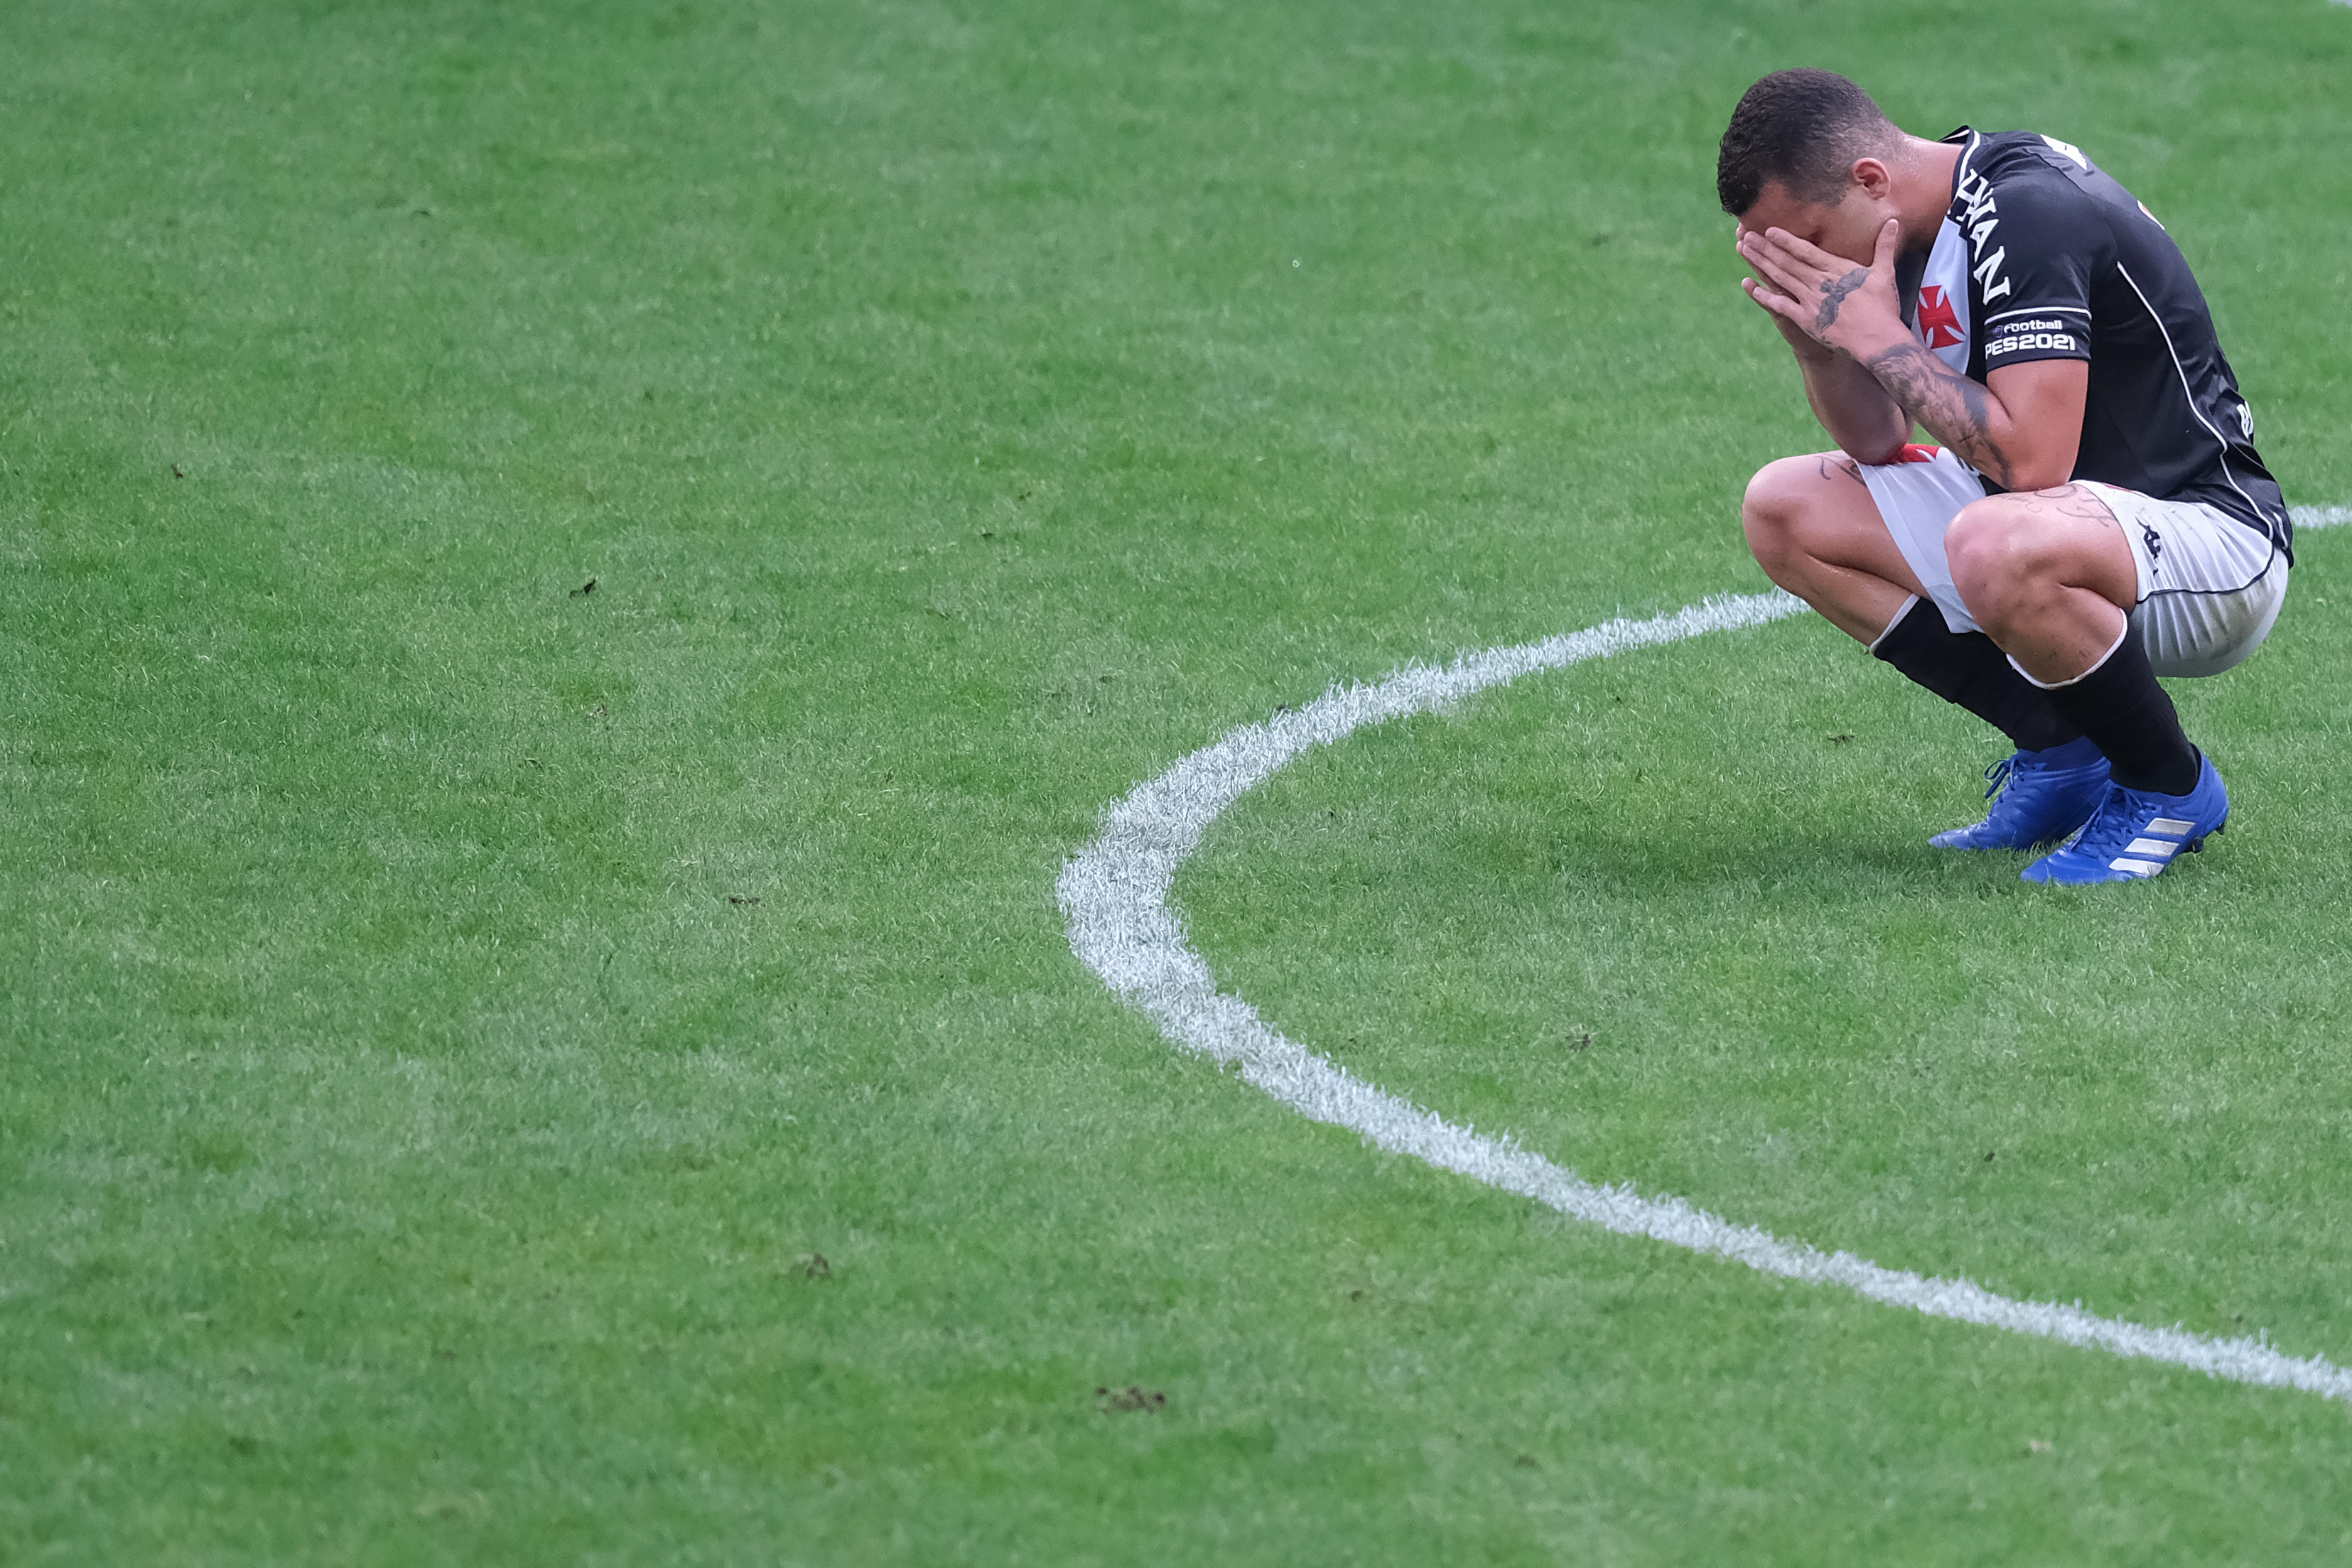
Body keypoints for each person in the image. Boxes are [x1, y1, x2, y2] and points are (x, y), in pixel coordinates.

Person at [1717, 69, 2291, 883]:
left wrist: (1879, 338)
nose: (1806, 263)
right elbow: (1878, 439)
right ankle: (2063, 753)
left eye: (1807, 236)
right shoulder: (1904, 223)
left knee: (1989, 538)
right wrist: (1818, 341)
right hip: (2050, 528)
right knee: (1784, 507)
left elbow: (2031, 461)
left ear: (1869, 180)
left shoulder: (2024, 214)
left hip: (2212, 541)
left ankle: (2168, 783)